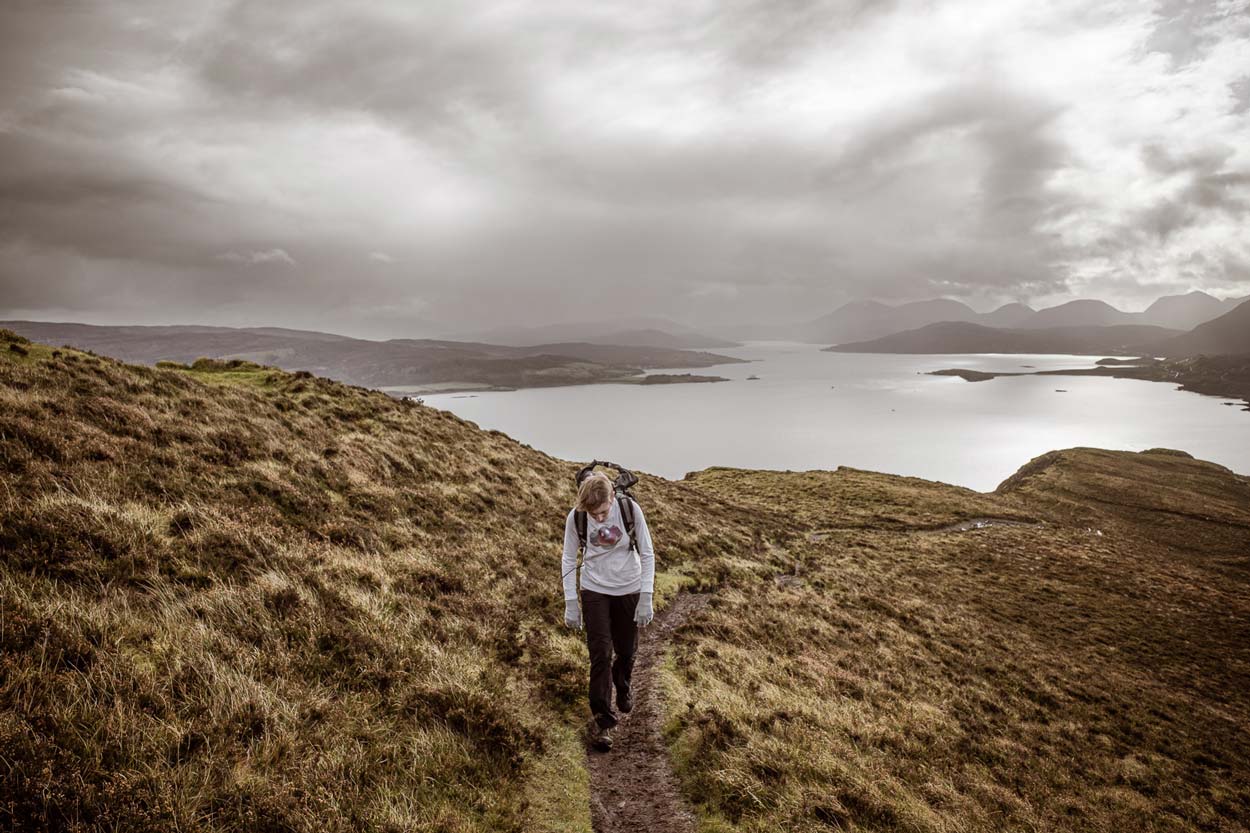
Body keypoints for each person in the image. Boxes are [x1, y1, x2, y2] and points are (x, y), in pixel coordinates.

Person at [561, 471, 656, 751]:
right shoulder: (576, 518)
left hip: (628, 587)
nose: (599, 519)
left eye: (603, 513)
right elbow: (568, 557)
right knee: (600, 653)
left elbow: (648, 552)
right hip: (595, 590)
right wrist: (571, 602)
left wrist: (646, 596)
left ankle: (623, 682)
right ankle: (603, 722)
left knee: (626, 651)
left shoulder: (629, 510)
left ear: (612, 498)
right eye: (593, 514)